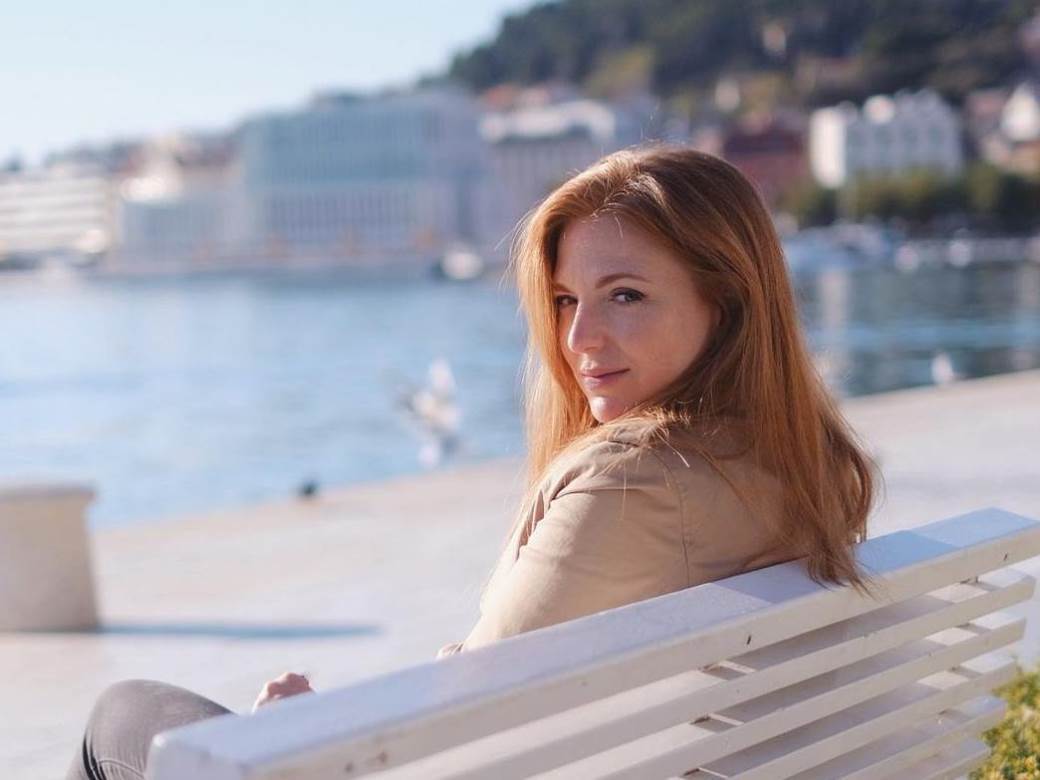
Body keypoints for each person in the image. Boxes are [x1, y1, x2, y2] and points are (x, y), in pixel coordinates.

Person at [66, 146, 876, 779]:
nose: (579, 338)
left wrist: (294, 738)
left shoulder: (635, 483)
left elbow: (468, 739)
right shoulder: (809, 466)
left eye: (624, 294)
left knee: (123, 719)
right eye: (566, 300)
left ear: (725, 304)